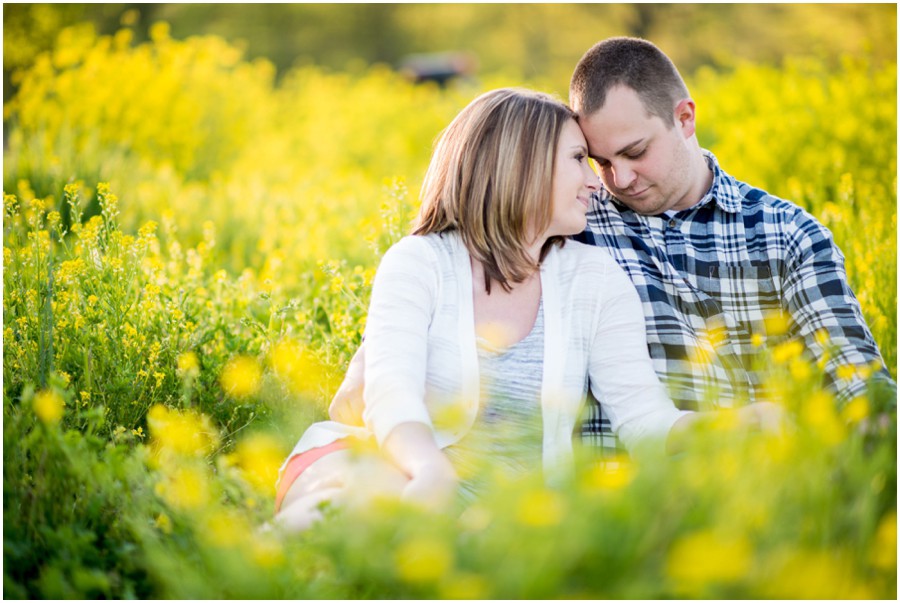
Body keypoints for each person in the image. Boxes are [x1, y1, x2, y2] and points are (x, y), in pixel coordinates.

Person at [329, 37, 895, 453]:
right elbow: (467, 250)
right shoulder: (572, 218)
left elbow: (856, 376)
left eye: (635, 152)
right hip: (612, 505)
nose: (616, 179)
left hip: (748, 476)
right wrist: (375, 370)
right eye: (597, 160)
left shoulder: (784, 233)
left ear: (686, 118)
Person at [274, 88, 780, 531]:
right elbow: (390, 393)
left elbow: (646, 420)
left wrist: (739, 424)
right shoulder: (420, 261)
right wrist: (430, 470)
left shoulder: (596, 280)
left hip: (502, 524)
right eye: (579, 159)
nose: (595, 181)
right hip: (387, 466)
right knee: (360, 506)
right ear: (521, 163)